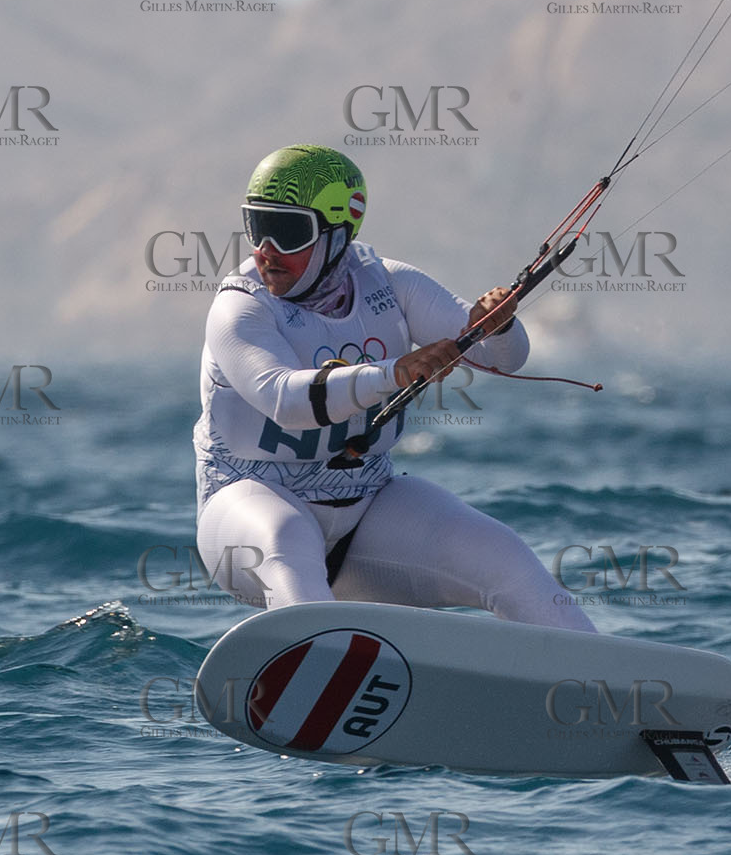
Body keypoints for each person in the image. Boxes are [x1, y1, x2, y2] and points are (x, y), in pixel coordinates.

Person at [193, 144, 595, 632]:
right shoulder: (241, 307)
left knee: (502, 555)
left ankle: (603, 688)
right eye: (257, 226)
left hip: (367, 511)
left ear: (338, 234)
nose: (267, 250)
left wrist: (502, 324)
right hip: (248, 508)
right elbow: (287, 401)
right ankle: (322, 668)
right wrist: (395, 372)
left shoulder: (391, 285)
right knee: (287, 538)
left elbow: (502, 359)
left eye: (290, 232)